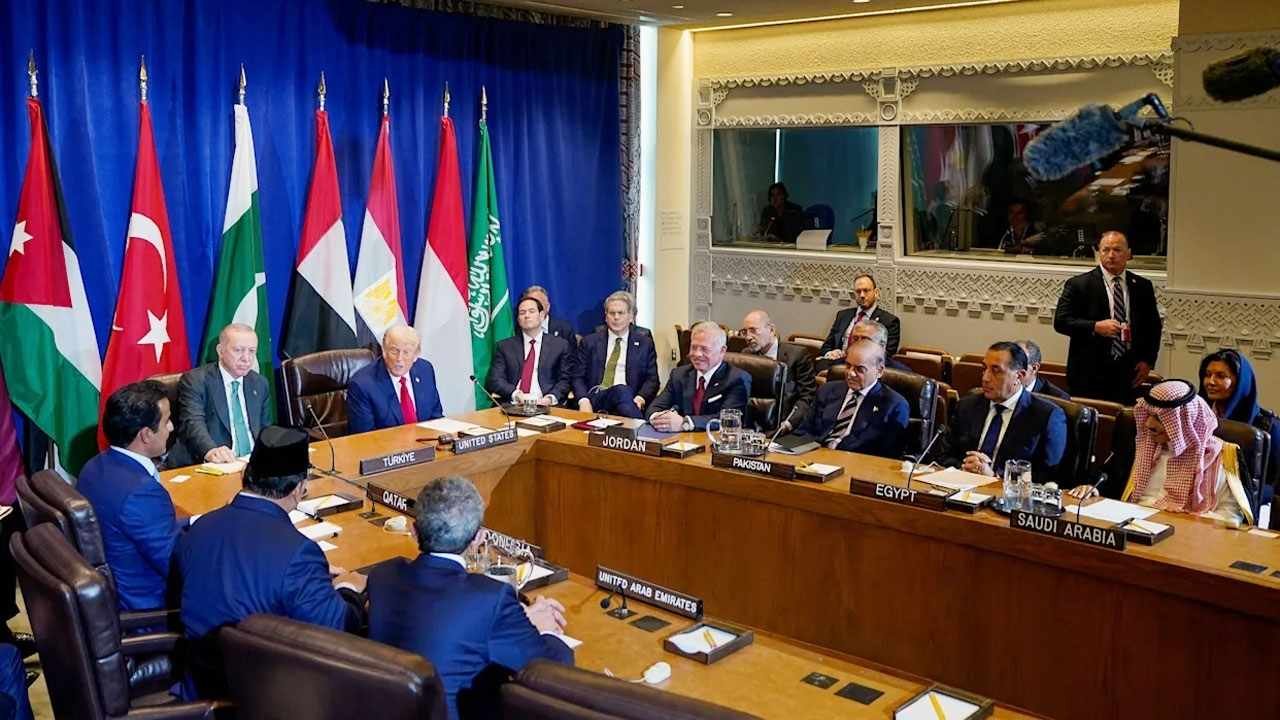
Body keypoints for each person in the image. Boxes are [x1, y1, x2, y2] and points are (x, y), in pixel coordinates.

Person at [174, 425, 364, 698]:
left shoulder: (199, 527)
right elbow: (338, 630)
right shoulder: (299, 554)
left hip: (198, 683)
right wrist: (347, 587)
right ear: (299, 489)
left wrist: (311, 580)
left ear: (244, 475)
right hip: (261, 698)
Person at [368, 476, 573, 719]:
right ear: (478, 539)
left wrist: (519, 620)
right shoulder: (491, 599)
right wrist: (547, 631)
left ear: (413, 531)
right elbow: (553, 673)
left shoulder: (382, 576)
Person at [1069, 380, 1257, 525]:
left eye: (1159, 418)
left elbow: (1230, 515)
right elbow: (1109, 477)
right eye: (1149, 415)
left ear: (1184, 422)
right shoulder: (1142, 445)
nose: (1148, 424)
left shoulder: (1220, 457)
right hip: (1130, 526)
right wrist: (1093, 486)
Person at [79, 381, 189, 612]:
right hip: (150, 609)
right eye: (167, 421)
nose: (171, 428)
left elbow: (147, 529)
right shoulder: (141, 493)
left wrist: (198, 521)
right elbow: (180, 566)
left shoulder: (94, 466)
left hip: (117, 590)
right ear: (146, 435)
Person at [1053, 231, 1161, 404]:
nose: (1111, 255)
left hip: (1129, 371)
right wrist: (1095, 327)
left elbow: (1153, 327)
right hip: (1089, 372)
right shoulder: (1079, 284)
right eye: (1106, 250)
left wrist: (1148, 360)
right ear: (1099, 253)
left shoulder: (1143, 286)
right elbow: (1061, 322)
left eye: (1117, 250)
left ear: (1129, 254)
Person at [939, 342, 1067, 478]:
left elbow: (1049, 477)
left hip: (1008, 490)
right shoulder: (967, 405)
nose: (985, 378)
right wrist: (965, 466)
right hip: (961, 485)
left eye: (996, 371)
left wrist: (994, 477)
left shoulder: (1046, 416)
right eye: (984, 369)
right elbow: (944, 455)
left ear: (1019, 376)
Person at [177, 323, 271, 463]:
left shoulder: (259, 383)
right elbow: (193, 423)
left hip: (253, 463)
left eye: (252, 351)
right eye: (238, 350)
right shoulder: (196, 381)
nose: (246, 358)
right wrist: (211, 451)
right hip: (219, 462)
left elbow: (265, 429)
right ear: (220, 351)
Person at [800, 339, 909, 458]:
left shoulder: (893, 405)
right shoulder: (827, 390)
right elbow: (803, 432)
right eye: (848, 366)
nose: (850, 373)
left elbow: (889, 456)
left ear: (879, 371)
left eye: (860, 369)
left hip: (858, 462)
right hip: (814, 458)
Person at [1198, 348, 1279, 499]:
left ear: (1241, 383)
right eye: (1207, 375)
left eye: (1221, 376)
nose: (1210, 382)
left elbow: (1275, 485)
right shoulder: (1197, 417)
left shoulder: (1268, 426)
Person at [648, 321, 751, 431]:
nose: (697, 354)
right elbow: (655, 407)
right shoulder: (679, 375)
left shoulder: (736, 379)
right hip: (679, 439)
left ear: (722, 351)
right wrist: (659, 419)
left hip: (714, 439)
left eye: (704, 349)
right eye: (693, 347)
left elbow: (729, 420)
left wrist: (685, 423)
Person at [573, 291, 659, 419]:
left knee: (623, 391)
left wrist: (640, 398)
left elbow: (652, 380)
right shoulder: (590, 342)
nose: (616, 317)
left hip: (631, 401)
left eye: (621, 313)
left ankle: (636, 424)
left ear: (631, 316)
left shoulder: (645, 343)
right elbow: (577, 377)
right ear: (606, 316)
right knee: (621, 390)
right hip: (597, 399)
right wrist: (583, 401)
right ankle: (642, 427)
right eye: (612, 313)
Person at [346, 325, 444, 433]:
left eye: (406, 352)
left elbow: (436, 419)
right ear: (384, 351)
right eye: (394, 351)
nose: (399, 358)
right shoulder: (362, 385)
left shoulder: (425, 370)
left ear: (416, 355)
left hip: (426, 441)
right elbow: (365, 437)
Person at [487, 295, 573, 407]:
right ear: (518, 319)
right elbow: (495, 379)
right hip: (514, 405)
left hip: (546, 405)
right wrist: (515, 394)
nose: (527, 316)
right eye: (522, 313)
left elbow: (565, 380)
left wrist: (550, 398)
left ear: (542, 316)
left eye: (531, 311)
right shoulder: (505, 347)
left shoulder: (560, 346)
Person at [740, 309, 816, 433]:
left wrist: (789, 423)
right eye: (745, 332)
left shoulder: (797, 355)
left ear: (771, 330)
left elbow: (807, 396)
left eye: (753, 330)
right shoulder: (746, 355)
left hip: (785, 424)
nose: (748, 337)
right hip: (751, 425)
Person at [818, 274, 901, 364]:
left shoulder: (889, 321)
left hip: (864, 367)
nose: (862, 295)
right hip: (835, 365)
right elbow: (826, 346)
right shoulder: (843, 315)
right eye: (858, 291)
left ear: (876, 293)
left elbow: (886, 356)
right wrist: (830, 353)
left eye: (866, 290)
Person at [819, 319, 913, 375]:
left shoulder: (903, 374)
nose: (859, 343)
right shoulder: (836, 366)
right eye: (855, 338)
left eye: (865, 339)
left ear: (882, 345)